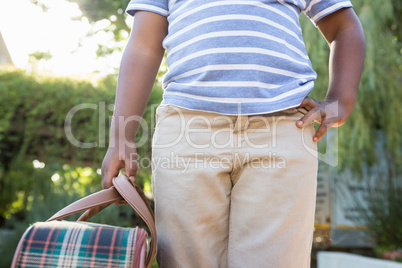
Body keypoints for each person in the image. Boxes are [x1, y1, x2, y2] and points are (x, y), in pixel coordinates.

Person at [101, 0, 365, 267]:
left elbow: (343, 26)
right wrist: (121, 137)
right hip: (188, 129)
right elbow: (144, 46)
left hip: (283, 126)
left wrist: (340, 100)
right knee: (186, 260)